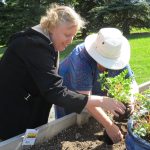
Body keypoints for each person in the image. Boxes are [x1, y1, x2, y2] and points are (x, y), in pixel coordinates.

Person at [0, 4, 126, 143]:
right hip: (14, 113)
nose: (70, 40)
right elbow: (55, 92)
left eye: (74, 35)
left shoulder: (48, 41)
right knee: (14, 143)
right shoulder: (33, 45)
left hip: (32, 107)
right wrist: (101, 101)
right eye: (67, 34)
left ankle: (29, 143)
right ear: (52, 26)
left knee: (31, 141)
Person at [55, 27, 139, 142]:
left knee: (96, 113)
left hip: (94, 90)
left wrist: (131, 100)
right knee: (68, 125)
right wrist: (109, 125)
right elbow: (85, 99)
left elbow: (131, 82)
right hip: (70, 91)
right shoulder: (81, 58)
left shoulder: (115, 52)